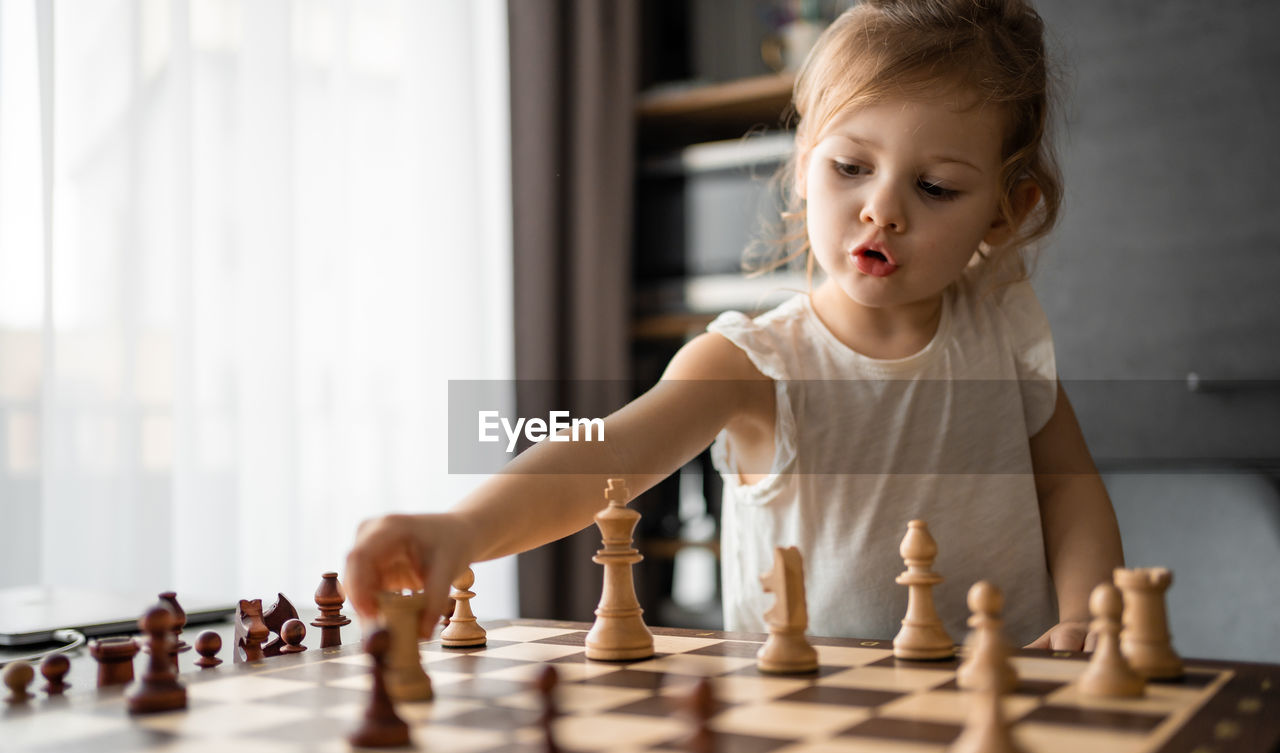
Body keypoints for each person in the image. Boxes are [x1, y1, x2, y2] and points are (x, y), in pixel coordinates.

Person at [345, 0, 1123, 652]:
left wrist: (1087, 613)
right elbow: (603, 453)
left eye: (935, 186)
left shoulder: (1003, 332)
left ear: (1005, 210)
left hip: (1000, 696)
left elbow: (1068, 486)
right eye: (850, 167)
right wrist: (460, 528)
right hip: (805, 720)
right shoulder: (752, 362)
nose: (882, 207)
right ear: (802, 167)